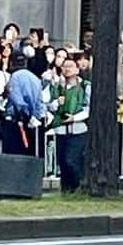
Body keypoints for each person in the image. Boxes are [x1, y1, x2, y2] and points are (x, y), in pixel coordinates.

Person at [48, 57, 90, 192]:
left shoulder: (85, 86)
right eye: (65, 66)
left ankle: (78, 186)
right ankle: (66, 189)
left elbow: (88, 108)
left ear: (77, 70)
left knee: (71, 160)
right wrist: (56, 104)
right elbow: (48, 105)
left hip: (78, 130)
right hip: (61, 130)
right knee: (62, 162)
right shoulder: (57, 87)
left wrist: (74, 118)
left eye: (70, 66)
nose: (67, 69)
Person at [2, 52, 46, 155]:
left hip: (18, 119)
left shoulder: (15, 77)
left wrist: (24, 114)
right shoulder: (35, 78)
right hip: (35, 119)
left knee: (15, 153)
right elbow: (39, 100)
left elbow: (17, 99)